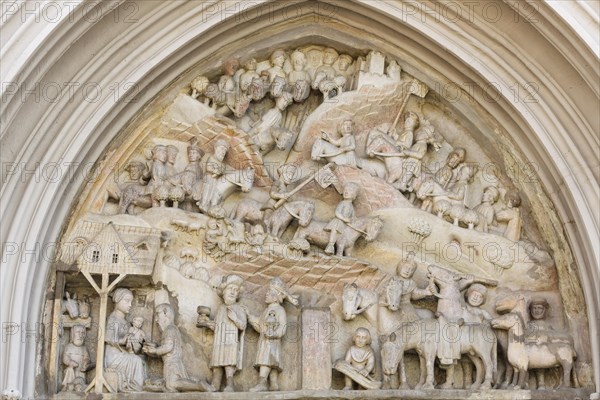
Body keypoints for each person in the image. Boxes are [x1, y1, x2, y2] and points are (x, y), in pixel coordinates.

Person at [143, 304, 214, 392]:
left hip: (171, 364)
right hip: (173, 363)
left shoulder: (169, 329)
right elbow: (167, 349)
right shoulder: (172, 329)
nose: (156, 319)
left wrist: (155, 350)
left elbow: (168, 347)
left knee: (171, 384)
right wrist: (153, 350)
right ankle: (195, 383)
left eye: (158, 314)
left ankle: (198, 385)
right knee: (171, 385)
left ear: (165, 313)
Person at [248, 278, 299, 392]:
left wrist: (274, 334)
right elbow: (260, 327)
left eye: (269, 291)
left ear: (276, 295)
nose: (266, 294)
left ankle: (262, 382)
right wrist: (251, 319)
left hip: (272, 341)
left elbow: (282, 327)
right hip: (265, 340)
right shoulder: (266, 311)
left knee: (266, 360)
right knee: (272, 362)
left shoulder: (280, 310)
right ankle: (274, 384)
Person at [205, 275, 248, 392]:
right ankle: (215, 385)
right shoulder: (220, 309)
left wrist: (235, 318)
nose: (233, 292)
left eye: (236, 290)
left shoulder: (239, 308)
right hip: (219, 341)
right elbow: (218, 326)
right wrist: (210, 324)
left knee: (229, 364)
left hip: (231, 341)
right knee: (217, 364)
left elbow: (243, 325)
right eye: (230, 289)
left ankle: (230, 385)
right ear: (223, 292)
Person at [105, 288, 147, 392]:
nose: (130, 305)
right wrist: (123, 340)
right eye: (126, 301)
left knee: (141, 360)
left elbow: (128, 341)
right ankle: (136, 387)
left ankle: (139, 385)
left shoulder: (125, 321)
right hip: (113, 356)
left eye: (131, 302)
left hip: (122, 353)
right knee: (136, 361)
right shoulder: (113, 319)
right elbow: (108, 338)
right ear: (117, 300)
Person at [391, 252, 435, 323]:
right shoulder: (392, 279)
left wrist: (425, 292)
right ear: (400, 267)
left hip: (405, 305)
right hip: (391, 303)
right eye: (406, 268)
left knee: (410, 317)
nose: (408, 271)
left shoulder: (411, 283)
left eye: (411, 270)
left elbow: (415, 294)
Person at [325, 182, 359, 255]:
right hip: (338, 221)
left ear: (354, 195)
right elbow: (337, 212)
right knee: (335, 229)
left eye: (349, 191)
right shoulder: (343, 203)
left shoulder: (351, 206)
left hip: (344, 225)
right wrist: (344, 218)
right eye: (345, 190)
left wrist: (353, 220)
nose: (346, 192)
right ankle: (330, 245)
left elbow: (353, 217)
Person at [198, 140, 229, 212]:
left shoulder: (222, 164)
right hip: (209, 177)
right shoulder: (212, 158)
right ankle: (203, 203)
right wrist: (216, 171)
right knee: (207, 188)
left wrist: (221, 172)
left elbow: (223, 171)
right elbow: (208, 167)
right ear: (216, 149)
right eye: (221, 149)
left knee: (213, 191)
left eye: (224, 150)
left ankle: (212, 205)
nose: (223, 152)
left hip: (215, 180)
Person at [61, 325, 94, 392]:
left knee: (80, 384)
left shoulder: (84, 348)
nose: (80, 335)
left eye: (82, 333)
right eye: (78, 332)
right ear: (72, 335)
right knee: (69, 371)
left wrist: (86, 362)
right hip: (72, 371)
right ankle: (68, 387)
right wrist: (70, 362)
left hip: (81, 372)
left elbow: (87, 358)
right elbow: (65, 358)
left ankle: (80, 388)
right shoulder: (69, 347)